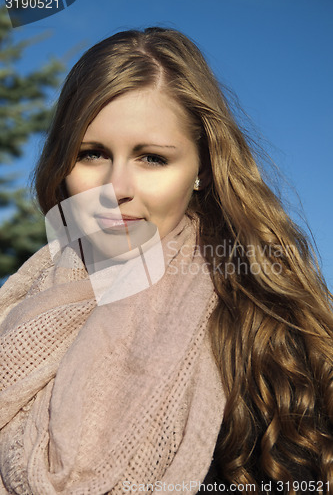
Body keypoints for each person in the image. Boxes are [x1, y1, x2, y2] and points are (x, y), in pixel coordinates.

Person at [0, 27, 332, 495]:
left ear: (201, 170)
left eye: (152, 158)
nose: (116, 188)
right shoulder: (17, 308)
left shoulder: (260, 335)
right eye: (91, 153)